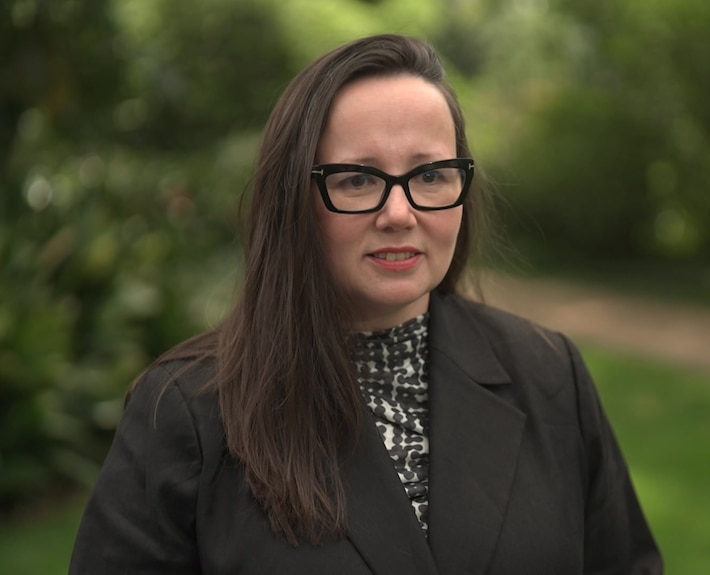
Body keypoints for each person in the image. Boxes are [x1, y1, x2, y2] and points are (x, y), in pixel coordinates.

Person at [69, 33, 663, 575]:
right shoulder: (188, 412)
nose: (400, 213)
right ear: (293, 200)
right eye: (357, 179)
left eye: (431, 175)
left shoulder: (549, 372)